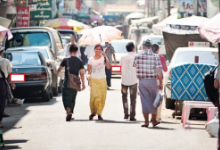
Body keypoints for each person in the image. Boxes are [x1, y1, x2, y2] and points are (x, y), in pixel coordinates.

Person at [134, 39, 163, 127]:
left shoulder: (137, 56)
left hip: (142, 81)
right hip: (153, 81)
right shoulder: (156, 57)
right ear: (151, 46)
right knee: (155, 100)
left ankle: (146, 121)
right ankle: (153, 120)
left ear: (142, 46)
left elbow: (135, 65)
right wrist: (160, 83)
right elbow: (159, 72)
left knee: (144, 101)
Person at [57, 44, 85, 121]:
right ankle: (70, 112)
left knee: (65, 97)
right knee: (72, 98)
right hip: (75, 82)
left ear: (69, 51)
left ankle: (68, 109)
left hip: (67, 81)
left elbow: (59, 68)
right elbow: (82, 73)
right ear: (76, 51)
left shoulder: (65, 60)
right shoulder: (79, 61)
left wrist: (57, 73)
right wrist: (83, 84)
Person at [86, 44, 111, 120]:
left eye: (99, 49)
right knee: (93, 96)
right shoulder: (91, 59)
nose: (98, 50)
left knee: (101, 97)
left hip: (102, 79)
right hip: (93, 80)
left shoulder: (104, 58)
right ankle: (93, 112)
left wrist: (105, 57)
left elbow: (108, 67)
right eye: (96, 49)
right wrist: (88, 75)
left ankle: (99, 113)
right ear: (94, 50)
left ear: (101, 50)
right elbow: (88, 70)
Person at [120, 42, 137, 121]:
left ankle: (126, 114)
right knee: (133, 98)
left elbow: (121, 66)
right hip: (133, 80)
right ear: (133, 48)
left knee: (124, 97)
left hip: (124, 80)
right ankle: (132, 115)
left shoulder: (123, 57)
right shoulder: (136, 57)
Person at [152, 44, 168, 122]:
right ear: (158, 50)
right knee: (159, 99)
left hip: (150, 80)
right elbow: (165, 69)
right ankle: (158, 116)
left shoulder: (149, 57)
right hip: (159, 80)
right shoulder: (161, 58)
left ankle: (152, 116)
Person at [0, 46, 15, 128]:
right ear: (2, 53)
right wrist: (13, 83)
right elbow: (10, 73)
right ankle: (0, 122)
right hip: (2, 82)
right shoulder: (6, 61)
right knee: (2, 101)